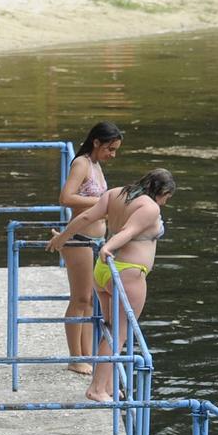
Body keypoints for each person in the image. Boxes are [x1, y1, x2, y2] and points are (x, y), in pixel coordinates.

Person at [46, 168, 176, 403]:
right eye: (167, 197)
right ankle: (96, 388)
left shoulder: (116, 193)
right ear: (163, 191)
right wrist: (107, 248)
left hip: (103, 271)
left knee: (109, 329)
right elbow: (128, 232)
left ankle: (106, 385)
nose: (166, 203)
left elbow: (86, 217)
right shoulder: (149, 207)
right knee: (119, 333)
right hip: (127, 273)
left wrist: (63, 237)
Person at [57, 122, 124, 374]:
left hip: (96, 241)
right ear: (96, 142)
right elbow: (66, 197)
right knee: (80, 298)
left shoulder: (95, 165)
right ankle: (75, 356)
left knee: (89, 302)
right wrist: (103, 201)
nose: (112, 155)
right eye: (110, 148)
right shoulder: (81, 163)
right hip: (79, 239)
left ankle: (85, 354)